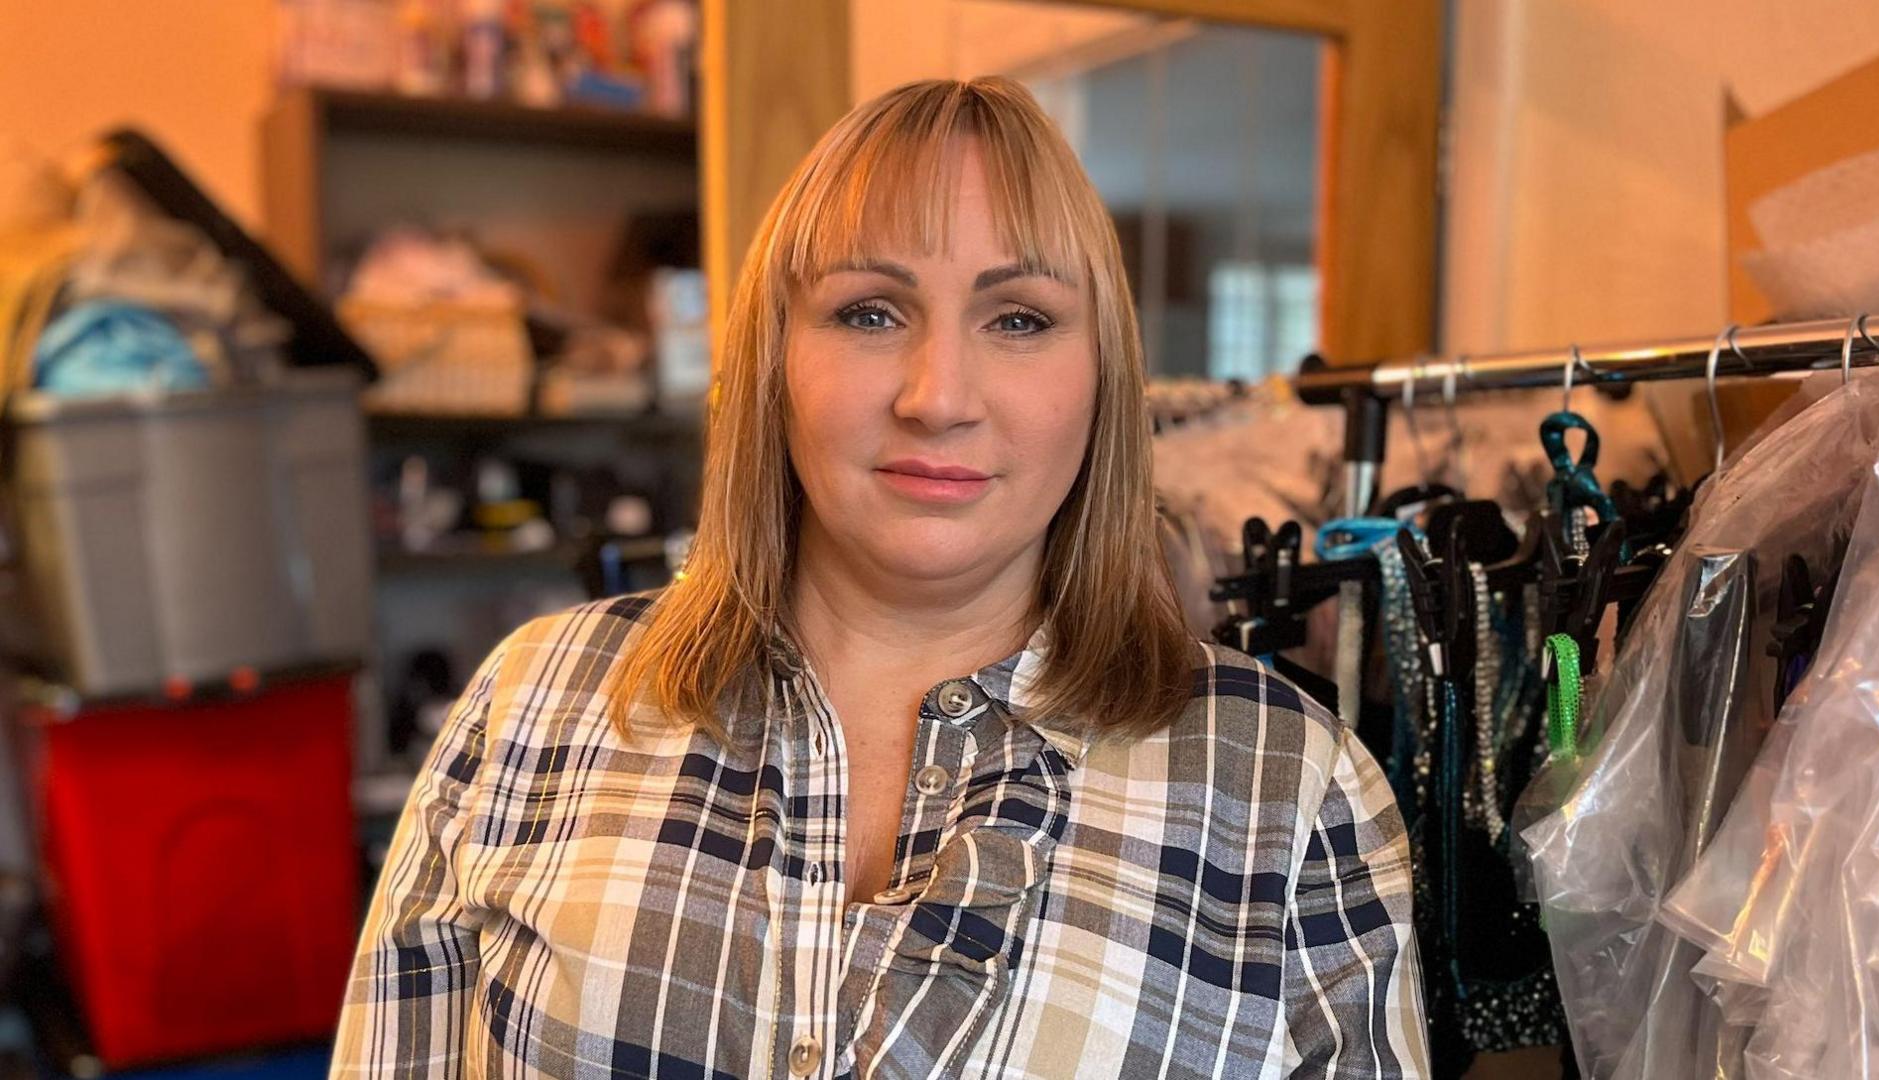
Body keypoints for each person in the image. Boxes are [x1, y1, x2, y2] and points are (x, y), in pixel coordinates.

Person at [331, 77, 1426, 1079]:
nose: (939, 394)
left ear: (1103, 378)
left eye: (1020, 319)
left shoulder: (1290, 791)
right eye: (869, 312)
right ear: (775, 362)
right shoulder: (537, 702)